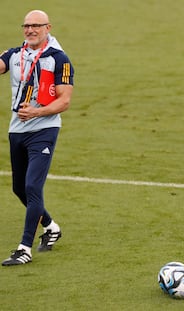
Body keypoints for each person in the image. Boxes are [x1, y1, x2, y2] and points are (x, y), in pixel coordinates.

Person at [0, 10, 74, 266]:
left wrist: (38, 112)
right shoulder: (15, 55)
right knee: (19, 188)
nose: (30, 30)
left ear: (47, 28)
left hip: (44, 129)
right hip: (16, 130)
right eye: (26, 26)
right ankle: (51, 226)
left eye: (36, 26)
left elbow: (64, 101)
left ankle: (24, 248)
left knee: (32, 187)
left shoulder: (59, 59)